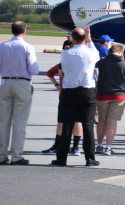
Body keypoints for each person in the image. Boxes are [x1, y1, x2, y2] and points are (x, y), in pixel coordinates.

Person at [52, 27, 100, 167]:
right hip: (87, 91)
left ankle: (61, 158)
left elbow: (64, 70)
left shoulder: (65, 54)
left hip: (70, 91)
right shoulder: (91, 53)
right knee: (88, 125)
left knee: (67, 124)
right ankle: (90, 158)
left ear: (72, 39)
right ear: (84, 38)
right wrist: (89, 38)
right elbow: (95, 54)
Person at [0, 21, 39, 165]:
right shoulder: (27, 47)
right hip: (22, 83)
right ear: (24, 31)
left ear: (12, 31)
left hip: (5, 82)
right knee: (19, 122)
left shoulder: (2, 46)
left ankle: (1, 155)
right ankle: (16, 155)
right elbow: (34, 69)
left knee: (3, 121)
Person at [95, 44, 125, 155]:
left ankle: (99, 145)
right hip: (119, 96)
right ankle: (108, 147)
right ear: (121, 53)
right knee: (112, 121)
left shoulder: (101, 63)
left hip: (102, 95)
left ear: (109, 52)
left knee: (102, 121)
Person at [41, 47, 84, 156]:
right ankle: (75, 148)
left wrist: (56, 84)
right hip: (80, 93)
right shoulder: (81, 64)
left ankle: (57, 145)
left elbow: (50, 73)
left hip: (65, 94)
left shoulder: (62, 64)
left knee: (62, 121)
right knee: (77, 121)